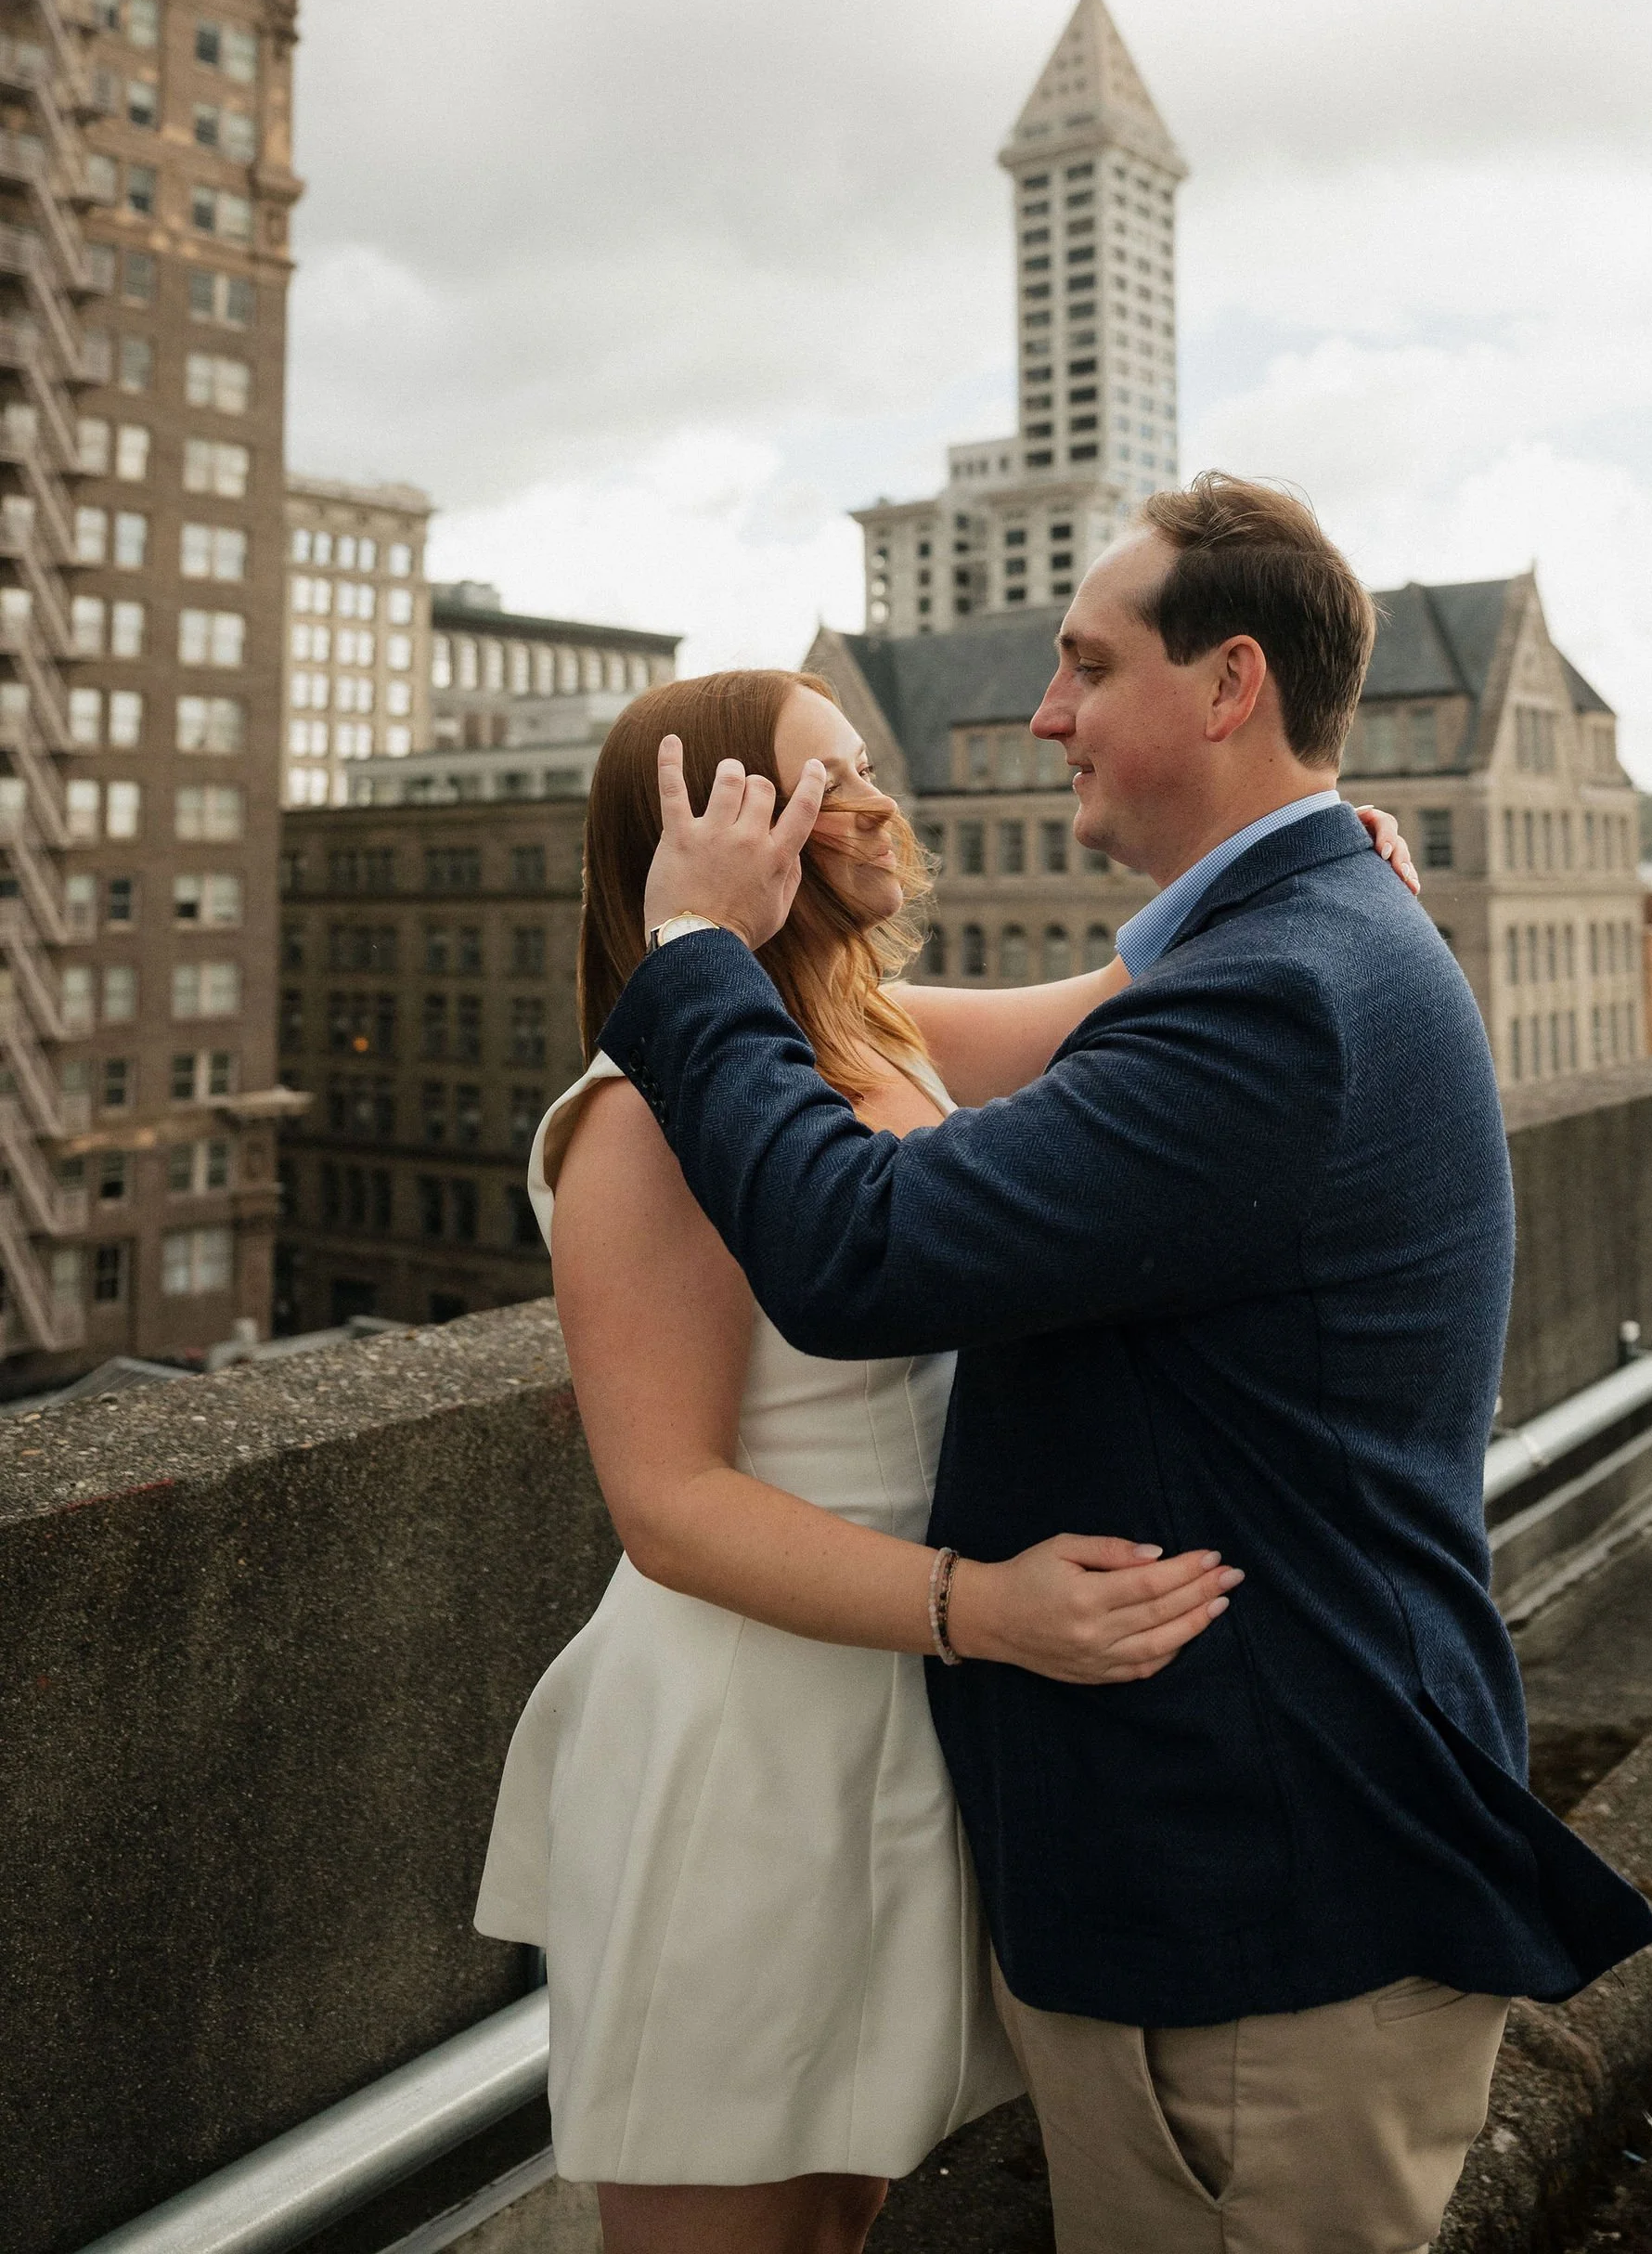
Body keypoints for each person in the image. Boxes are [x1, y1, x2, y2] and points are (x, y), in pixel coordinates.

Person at [597, 473, 1652, 2254]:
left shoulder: (1282, 992)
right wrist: (708, 958)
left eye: (1087, 667)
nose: (1039, 714)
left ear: (1230, 685)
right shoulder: (1305, 947)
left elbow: (863, 1249)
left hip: (1254, 1899)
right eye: (823, 777)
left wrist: (702, 950)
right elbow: (914, 1035)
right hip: (1191, 1849)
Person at [478, 658, 1421, 2254]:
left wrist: (1316, 862)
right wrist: (980, 1609)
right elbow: (667, 1506)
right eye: (825, 779)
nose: (877, 802)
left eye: (864, 764)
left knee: (839, 2209)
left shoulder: (864, 1031)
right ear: (724, 831)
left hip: (891, 1728)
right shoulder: (648, 1116)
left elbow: (1094, 1018)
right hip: (746, 1747)